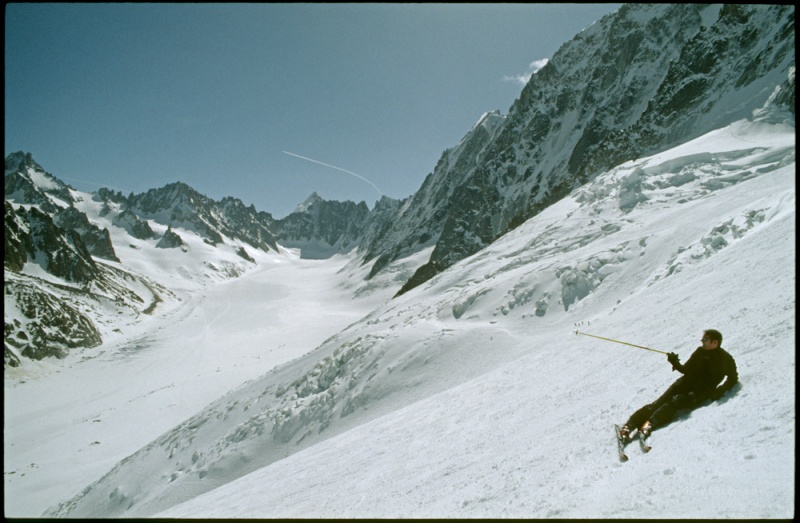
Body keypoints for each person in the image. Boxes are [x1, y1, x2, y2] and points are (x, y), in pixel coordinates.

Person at [619, 329, 738, 442]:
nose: (702, 342)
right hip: (684, 383)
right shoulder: (700, 352)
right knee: (657, 404)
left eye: (705, 339)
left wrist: (720, 390)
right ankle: (628, 427)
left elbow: (733, 379)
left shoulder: (725, 359)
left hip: (699, 392)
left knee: (673, 403)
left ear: (715, 342)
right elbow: (686, 369)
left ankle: (649, 425)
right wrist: (675, 362)